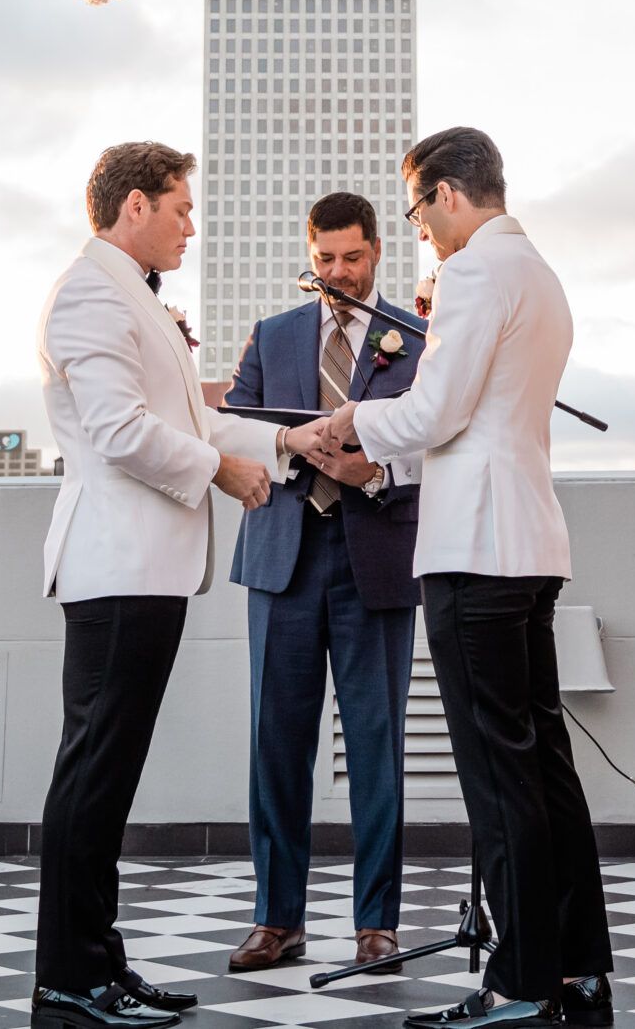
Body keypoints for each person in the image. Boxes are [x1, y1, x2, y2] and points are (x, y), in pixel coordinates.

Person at [297, 127, 612, 1029]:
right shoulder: (540, 273)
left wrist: (351, 419)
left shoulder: (476, 270)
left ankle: (517, 984)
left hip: (475, 549)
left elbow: (439, 408)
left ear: (441, 194)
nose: (424, 231)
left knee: (497, 776)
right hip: (531, 545)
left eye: (416, 209)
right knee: (545, 765)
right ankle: (578, 965)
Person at [31, 142, 279, 1029]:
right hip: (117, 566)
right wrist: (223, 471)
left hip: (142, 569)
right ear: (135, 204)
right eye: (180, 207)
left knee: (108, 775)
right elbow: (121, 429)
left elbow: (190, 414)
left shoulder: (129, 294)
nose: (191, 224)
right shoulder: (93, 292)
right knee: (94, 775)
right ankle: (68, 976)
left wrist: (288, 445)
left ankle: (99, 960)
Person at [222, 192, 427, 975]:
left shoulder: (414, 338)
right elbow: (234, 424)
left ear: (376, 252)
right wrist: (286, 444)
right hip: (283, 558)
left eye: (351, 257)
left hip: (374, 555)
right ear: (310, 257)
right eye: (324, 259)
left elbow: (438, 436)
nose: (338, 272)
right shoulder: (273, 334)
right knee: (276, 743)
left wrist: (375, 471)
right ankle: (277, 919)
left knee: (378, 746)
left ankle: (378, 922)